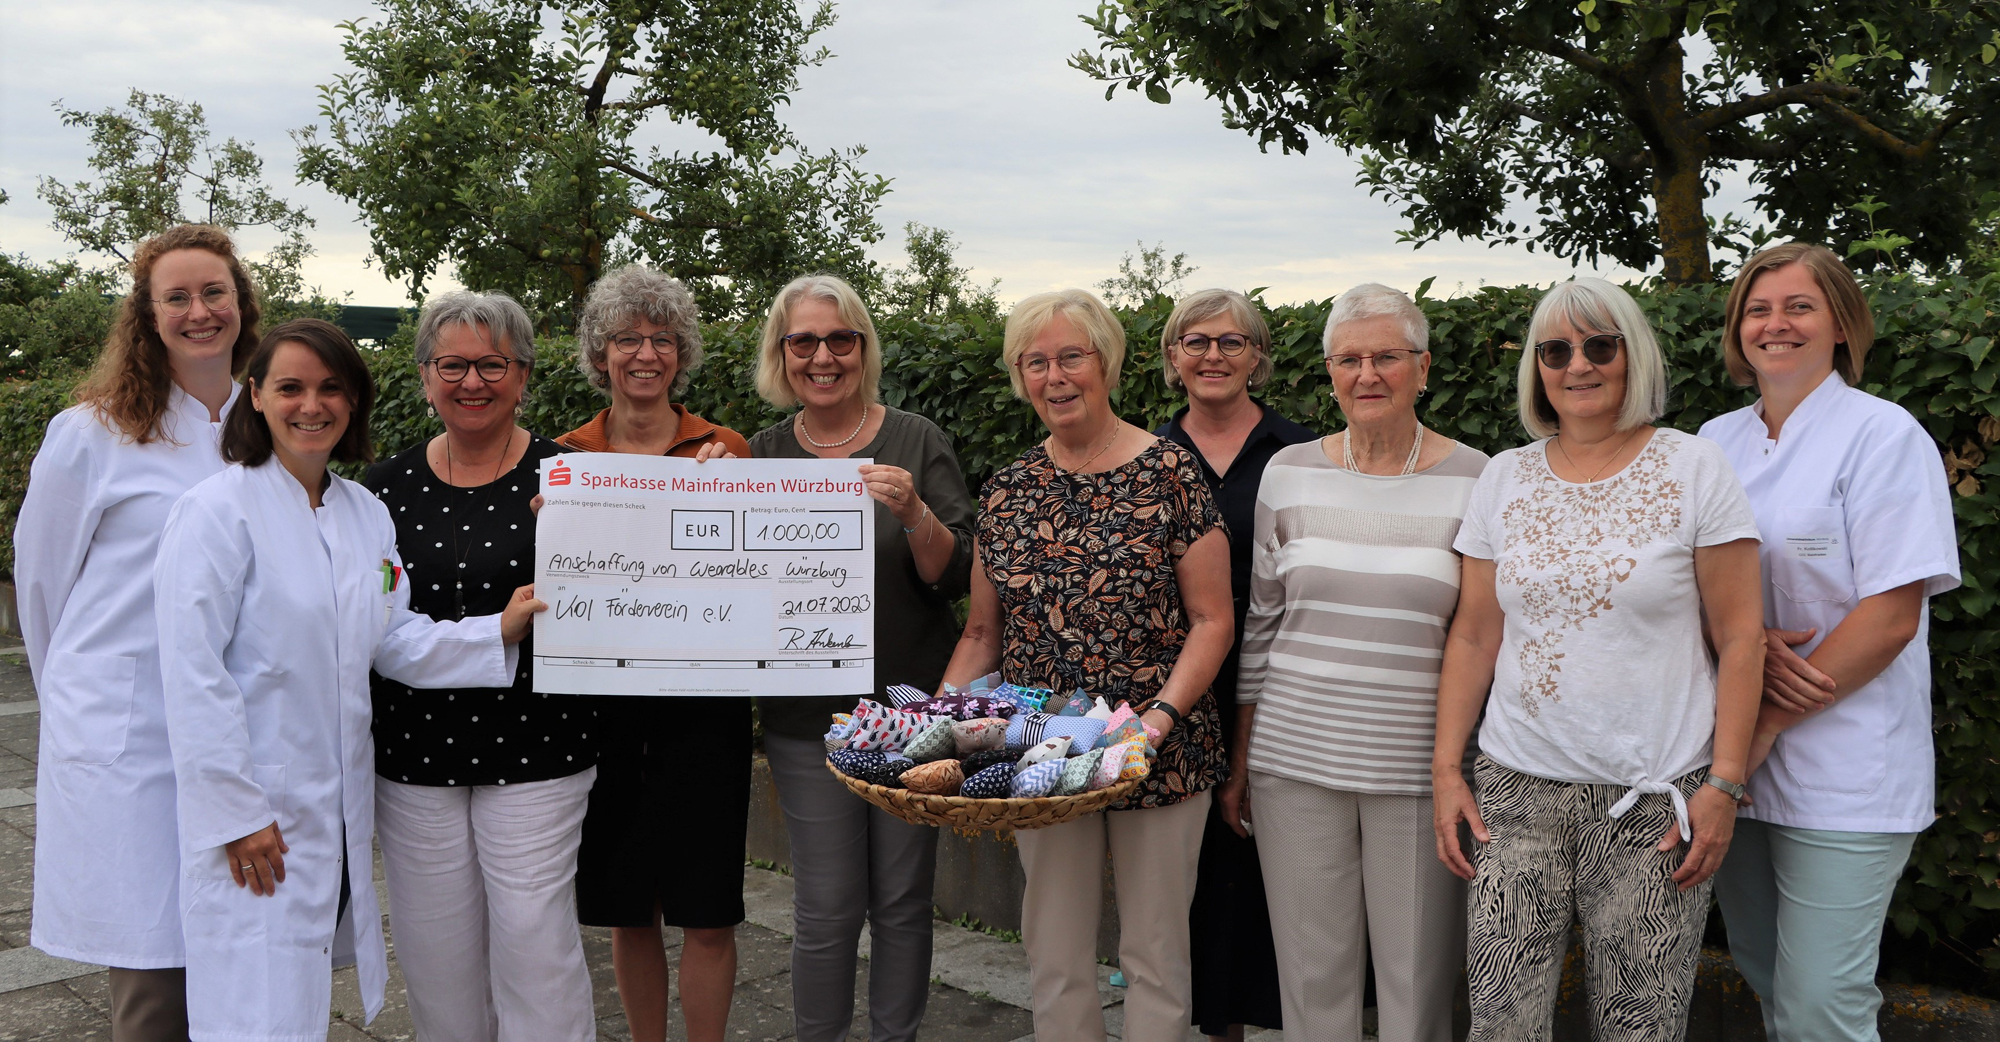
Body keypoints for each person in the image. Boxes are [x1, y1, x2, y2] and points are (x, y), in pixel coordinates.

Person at [154, 318, 543, 1042]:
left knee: (298, 995)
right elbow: (190, 672)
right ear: (257, 398)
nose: (313, 404)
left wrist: (498, 629)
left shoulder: (365, 514)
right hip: (256, 813)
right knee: (253, 1003)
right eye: (291, 387)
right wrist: (236, 813)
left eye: (332, 387)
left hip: (332, 811)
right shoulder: (215, 512)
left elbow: (392, 636)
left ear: (355, 401)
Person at [1430, 278, 1766, 1040]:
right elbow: (1475, 635)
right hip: (1515, 795)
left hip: (1653, 798)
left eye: (1599, 345)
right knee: (1502, 1021)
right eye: (1556, 350)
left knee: (1641, 1024)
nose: (1577, 365)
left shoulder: (1695, 468)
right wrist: (1449, 770)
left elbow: (1743, 637)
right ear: (1536, 369)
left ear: (1632, 354)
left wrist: (1724, 784)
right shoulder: (1505, 476)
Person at [939, 288, 1235, 1042]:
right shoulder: (1007, 490)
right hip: (1045, 752)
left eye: (1071, 355)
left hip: (1156, 752)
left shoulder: (1172, 472)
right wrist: (936, 725)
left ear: (1106, 362)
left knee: (1157, 953)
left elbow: (1212, 620)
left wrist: (1159, 721)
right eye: (1035, 362)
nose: (1055, 375)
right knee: (1054, 949)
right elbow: (981, 634)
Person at [1698, 244, 1959, 1042]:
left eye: (1799, 307)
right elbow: (1690, 591)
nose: (1776, 324)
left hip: (1844, 768)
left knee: (1822, 1001)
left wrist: (1770, 712)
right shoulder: (1714, 442)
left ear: (1842, 323)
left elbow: (1889, 616)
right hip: (1734, 766)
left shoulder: (1884, 437)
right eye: (1758, 308)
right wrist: (1740, 646)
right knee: (1767, 975)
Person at [15, 224, 260, 1042]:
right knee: (154, 968)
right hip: (135, 738)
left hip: (241, 731)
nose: (200, 311)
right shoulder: (92, 434)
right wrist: (89, 702)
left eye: (214, 292)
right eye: (178, 297)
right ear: (148, 317)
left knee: (245, 954)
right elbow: (43, 586)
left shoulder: (270, 428)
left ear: (241, 302)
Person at [1235, 283, 1488, 1042]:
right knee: (1314, 986)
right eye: (1349, 359)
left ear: (1424, 366)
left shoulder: (1480, 478)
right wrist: (1242, 760)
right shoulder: (1288, 473)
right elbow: (1261, 624)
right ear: (1330, 370)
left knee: (1416, 989)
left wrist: (1455, 766)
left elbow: (1481, 636)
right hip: (1293, 761)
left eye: (1387, 356)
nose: (1367, 374)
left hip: (1417, 771)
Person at [363, 290, 598, 1041]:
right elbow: (372, 618)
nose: (473, 382)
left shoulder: (573, 479)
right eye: (453, 365)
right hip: (413, 756)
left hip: (540, 749)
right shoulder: (380, 492)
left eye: (492, 364)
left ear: (523, 375)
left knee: (536, 945)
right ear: (426, 377)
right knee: (436, 956)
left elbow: (631, 594)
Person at [746, 274, 975, 1042]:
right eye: (803, 341)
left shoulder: (916, 439)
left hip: (908, 714)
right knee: (826, 905)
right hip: (807, 716)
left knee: (905, 901)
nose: (822, 356)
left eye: (840, 339)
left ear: (863, 348)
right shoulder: (760, 456)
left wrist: (914, 513)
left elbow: (960, 575)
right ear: (783, 354)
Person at [557, 265, 753, 1042]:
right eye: (627, 340)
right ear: (599, 355)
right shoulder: (563, 457)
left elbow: (755, 583)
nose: (645, 354)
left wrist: (740, 499)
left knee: (708, 910)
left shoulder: (726, 449)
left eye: (662, 340)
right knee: (627, 907)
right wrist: (551, 522)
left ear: (682, 354)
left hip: (706, 710)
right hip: (604, 711)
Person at [1152, 288, 1309, 1042]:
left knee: (1259, 871)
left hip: (1275, 685)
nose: (1213, 355)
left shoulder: (1301, 453)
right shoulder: (1143, 453)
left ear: (1258, 357)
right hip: (1170, 694)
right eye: (1196, 340)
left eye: (1232, 341)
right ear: (1172, 357)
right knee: (1192, 889)